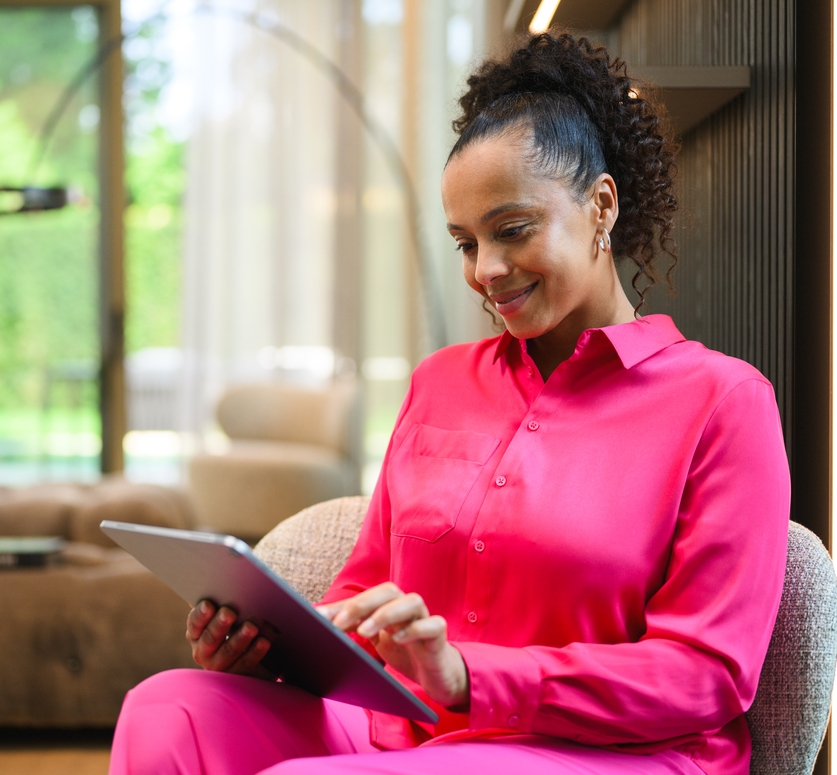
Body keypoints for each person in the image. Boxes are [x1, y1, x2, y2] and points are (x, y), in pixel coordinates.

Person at [109, 31, 790, 775]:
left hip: (608, 755)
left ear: (600, 206)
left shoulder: (723, 401)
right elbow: (363, 585)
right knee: (168, 705)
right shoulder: (439, 382)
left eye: (512, 230)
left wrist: (470, 675)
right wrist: (271, 649)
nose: (487, 270)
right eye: (465, 243)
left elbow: (707, 673)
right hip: (413, 735)